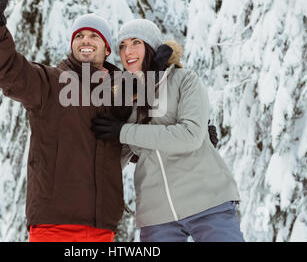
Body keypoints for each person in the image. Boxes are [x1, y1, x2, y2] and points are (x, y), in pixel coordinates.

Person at [0, 0, 129, 242]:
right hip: (53, 227)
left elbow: (149, 143)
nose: (86, 41)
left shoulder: (121, 97)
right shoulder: (51, 84)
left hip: (103, 229)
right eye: (79, 36)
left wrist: (197, 136)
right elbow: (7, 69)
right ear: (72, 46)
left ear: (107, 50)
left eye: (94, 37)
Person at [91, 19, 245, 242]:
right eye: (122, 46)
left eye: (136, 42)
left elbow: (189, 136)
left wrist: (124, 131)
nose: (128, 51)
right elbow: (115, 157)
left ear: (152, 46)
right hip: (157, 215)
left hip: (207, 201)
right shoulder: (124, 99)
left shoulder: (184, 80)